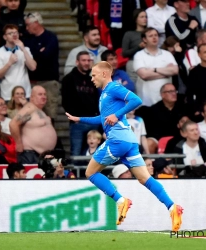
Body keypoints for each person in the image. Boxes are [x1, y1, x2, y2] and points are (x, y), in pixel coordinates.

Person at [65, 61, 183, 231]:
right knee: (145, 178)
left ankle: (121, 201)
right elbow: (103, 119)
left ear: (105, 74)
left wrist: (118, 114)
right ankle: (173, 207)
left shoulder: (113, 87)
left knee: (90, 172)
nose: (91, 78)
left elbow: (136, 100)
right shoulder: (105, 94)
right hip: (129, 141)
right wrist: (80, 119)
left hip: (117, 140)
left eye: (94, 75)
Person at [61, 51, 100, 156]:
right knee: (76, 152)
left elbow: (97, 98)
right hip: (77, 122)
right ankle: (76, 173)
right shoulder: (68, 79)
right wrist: (74, 117)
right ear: (77, 62)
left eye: (88, 60)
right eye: (84, 60)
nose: (86, 63)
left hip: (92, 121)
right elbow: (65, 101)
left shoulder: (94, 79)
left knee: (94, 152)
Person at [10, 86, 57, 164]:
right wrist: (18, 144)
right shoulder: (29, 108)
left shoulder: (39, 110)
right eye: (40, 94)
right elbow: (13, 124)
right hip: (31, 154)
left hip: (42, 155)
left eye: (45, 94)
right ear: (32, 97)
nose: (43, 96)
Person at [134, 27, 179, 106]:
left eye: (156, 35)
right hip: (147, 101)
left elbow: (175, 71)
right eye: (151, 36)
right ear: (144, 39)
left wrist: (154, 69)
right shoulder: (139, 55)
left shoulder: (167, 54)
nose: (154, 38)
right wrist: (167, 72)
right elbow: (144, 75)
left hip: (166, 101)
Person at [0, 24, 36, 101]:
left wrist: (23, 49)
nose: (14, 35)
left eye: (16, 32)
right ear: (4, 37)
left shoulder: (25, 49)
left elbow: (33, 67)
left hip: (25, 93)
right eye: (10, 33)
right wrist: (9, 63)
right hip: (8, 95)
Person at [121, 9, 147, 83]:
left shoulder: (150, 33)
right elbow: (124, 53)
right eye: (142, 17)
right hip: (133, 63)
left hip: (149, 63)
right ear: (136, 19)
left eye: (145, 17)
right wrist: (138, 47)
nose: (145, 19)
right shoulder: (129, 34)